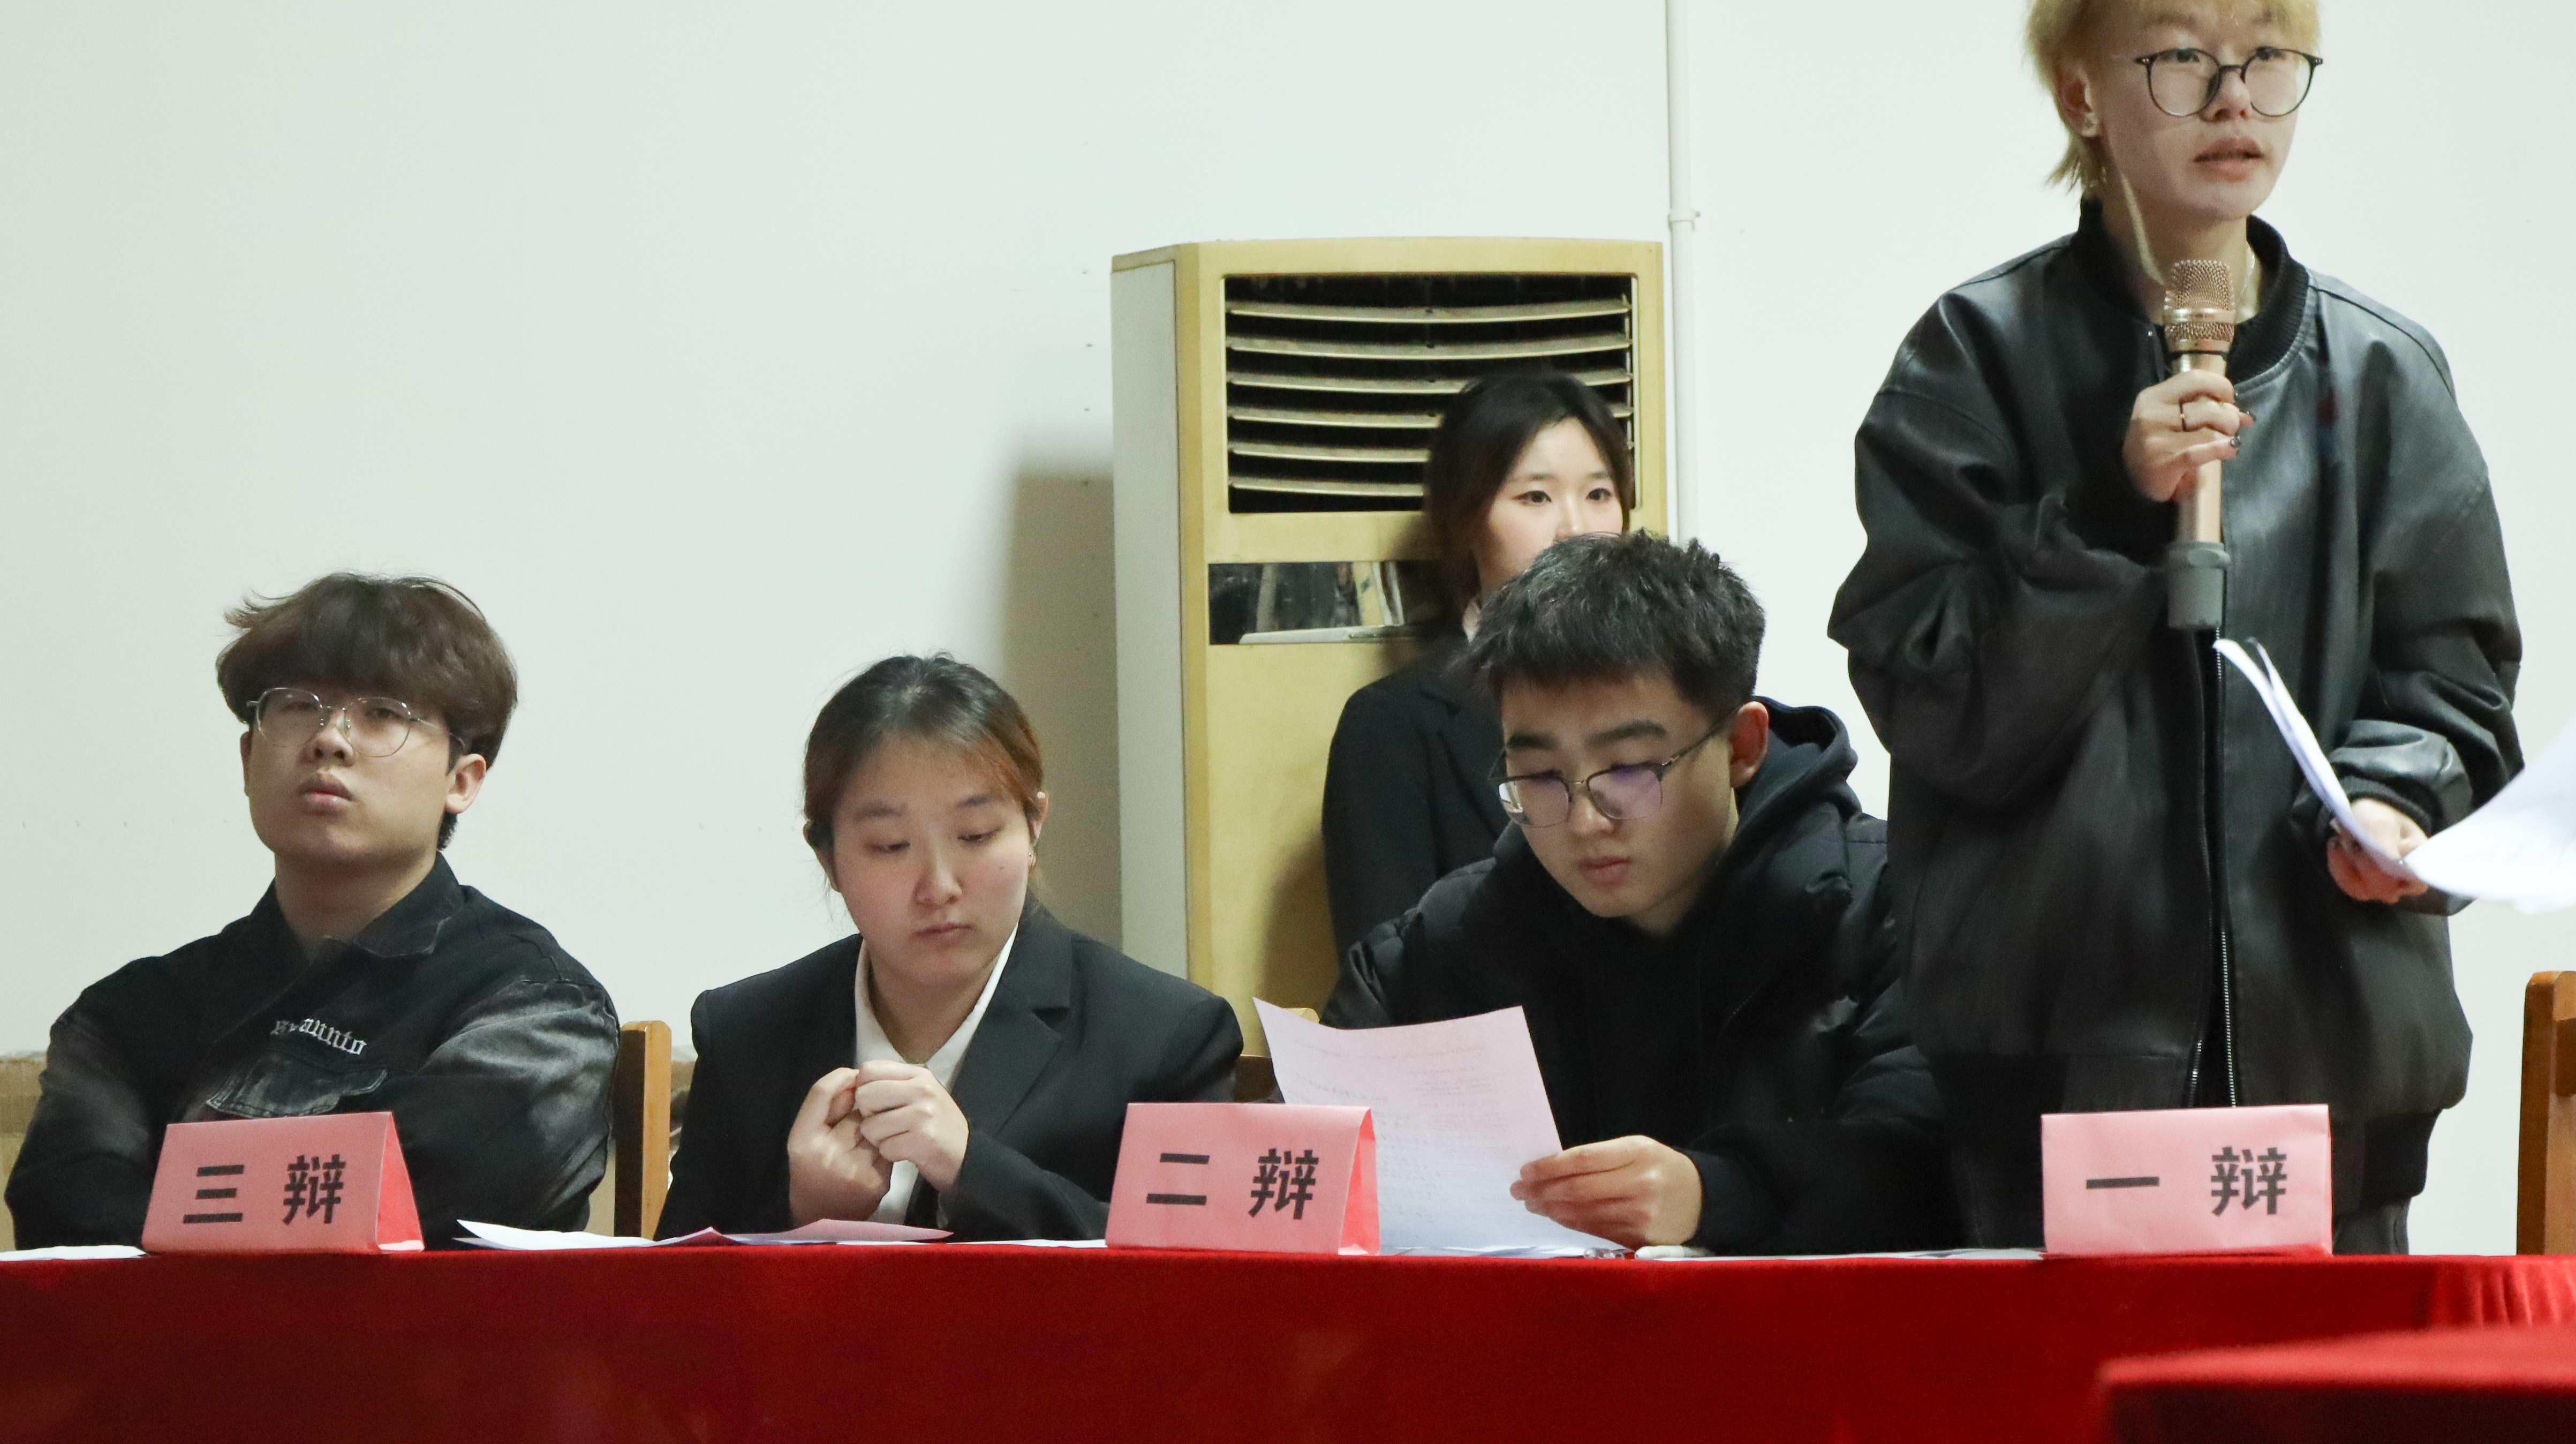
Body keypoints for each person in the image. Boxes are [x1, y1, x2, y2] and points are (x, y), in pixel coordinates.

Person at [1827, 0, 2523, 1253]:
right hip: (2050, 1074)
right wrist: (2103, 512)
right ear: (2079, 94)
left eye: (2267, 59)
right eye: (2180, 59)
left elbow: (2454, 690)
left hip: (2327, 1065)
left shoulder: (2382, 377)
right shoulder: (1970, 358)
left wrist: (2391, 804)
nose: (2233, 101)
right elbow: (1931, 703)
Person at [1328, 532, 1954, 1254]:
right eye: (1539, 778)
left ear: (1740, 746)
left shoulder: (1892, 908)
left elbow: (1931, 1162)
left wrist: (1721, 1194)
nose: (1584, 821)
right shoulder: (1457, 933)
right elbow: (1316, 1141)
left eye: (1627, 770)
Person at [5, 574, 617, 1249]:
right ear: (248, 760)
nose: (330, 739)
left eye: (383, 713)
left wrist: (179, 1204)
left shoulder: (537, 1006)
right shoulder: (130, 1013)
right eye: (298, 706)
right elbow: (63, 1214)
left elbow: (412, 1198)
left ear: (462, 780)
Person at [660, 655, 1242, 1240]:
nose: (939, 886)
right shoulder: (746, 1032)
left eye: (976, 835)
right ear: (828, 857)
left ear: (1034, 824)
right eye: (890, 845)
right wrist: (804, 1218)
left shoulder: (1162, 1036)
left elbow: (1191, 1268)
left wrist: (970, 1168)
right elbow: (669, 1285)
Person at [1321, 370, 1632, 958]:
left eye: (1598, 494)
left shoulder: (1665, 698)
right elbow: (1386, 974)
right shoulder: (1391, 726)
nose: (1575, 530)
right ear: (1465, 519)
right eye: (1535, 497)